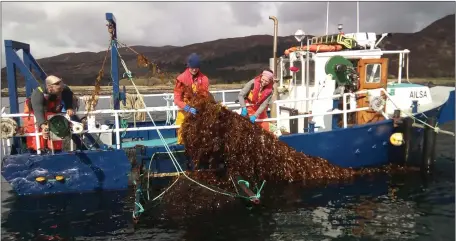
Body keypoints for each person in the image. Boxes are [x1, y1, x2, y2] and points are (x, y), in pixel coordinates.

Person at [22, 75, 77, 152]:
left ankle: (56, 150)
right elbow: (38, 111)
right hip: (35, 114)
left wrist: (69, 107)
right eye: (59, 89)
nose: (61, 90)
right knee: (36, 133)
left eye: (62, 88)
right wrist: (43, 125)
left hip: (51, 112)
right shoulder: (38, 94)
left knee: (57, 127)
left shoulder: (62, 88)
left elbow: (67, 93)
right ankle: (36, 151)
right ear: (50, 87)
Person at [174, 53, 210, 144]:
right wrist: (187, 108)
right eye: (192, 67)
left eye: (196, 67)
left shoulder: (204, 79)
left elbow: (204, 96)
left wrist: (199, 107)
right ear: (188, 66)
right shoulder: (181, 79)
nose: (194, 69)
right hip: (184, 110)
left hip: (198, 110)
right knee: (181, 134)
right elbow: (177, 99)